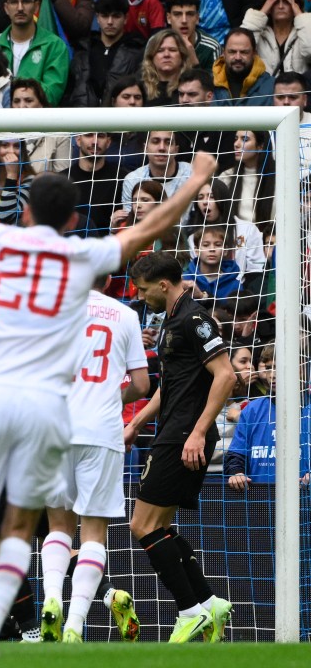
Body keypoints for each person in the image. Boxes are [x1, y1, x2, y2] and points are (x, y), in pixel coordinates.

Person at [0, 120, 217, 657]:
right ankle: (21, 618)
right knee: (38, 522)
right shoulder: (83, 259)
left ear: (24, 211)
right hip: (48, 406)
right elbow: (149, 231)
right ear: (74, 219)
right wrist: (192, 182)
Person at [123, 251, 237, 643]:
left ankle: (191, 612)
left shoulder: (195, 318)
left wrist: (197, 432)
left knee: (142, 525)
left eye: (143, 289)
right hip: (174, 432)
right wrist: (136, 423)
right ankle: (208, 603)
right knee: (160, 527)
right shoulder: (173, 320)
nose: (140, 296)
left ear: (164, 285)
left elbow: (226, 376)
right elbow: (168, 387)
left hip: (183, 437)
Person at [38, 281, 150, 643]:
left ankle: (52, 599)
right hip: (100, 431)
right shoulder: (127, 315)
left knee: (57, 527)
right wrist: (113, 395)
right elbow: (142, 384)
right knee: (93, 533)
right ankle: (74, 625)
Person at [0, 0, 69, 107]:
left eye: (26, 1)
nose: (20, 8)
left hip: (38, 123)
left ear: (36, 6)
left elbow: (51, 95)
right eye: (14, 2)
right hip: (0, 122)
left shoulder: (54, 45)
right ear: (6, 8)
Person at [242, 0, 311, 75]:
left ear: (295, 5)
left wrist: (299, 14)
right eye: (275, 2)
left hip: (300, 88)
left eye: (286, 2)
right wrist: (263, 11)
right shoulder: (259, 32)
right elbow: (241, 48)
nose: (281, 6)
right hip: (266, 89)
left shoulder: (305, 29)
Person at [212, 28, 276, 106]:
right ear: (224, 53)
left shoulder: (272, 87)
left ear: (254, 54)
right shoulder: (208, 84)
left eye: (244, 52)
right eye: (232, 52)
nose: (238, 57)